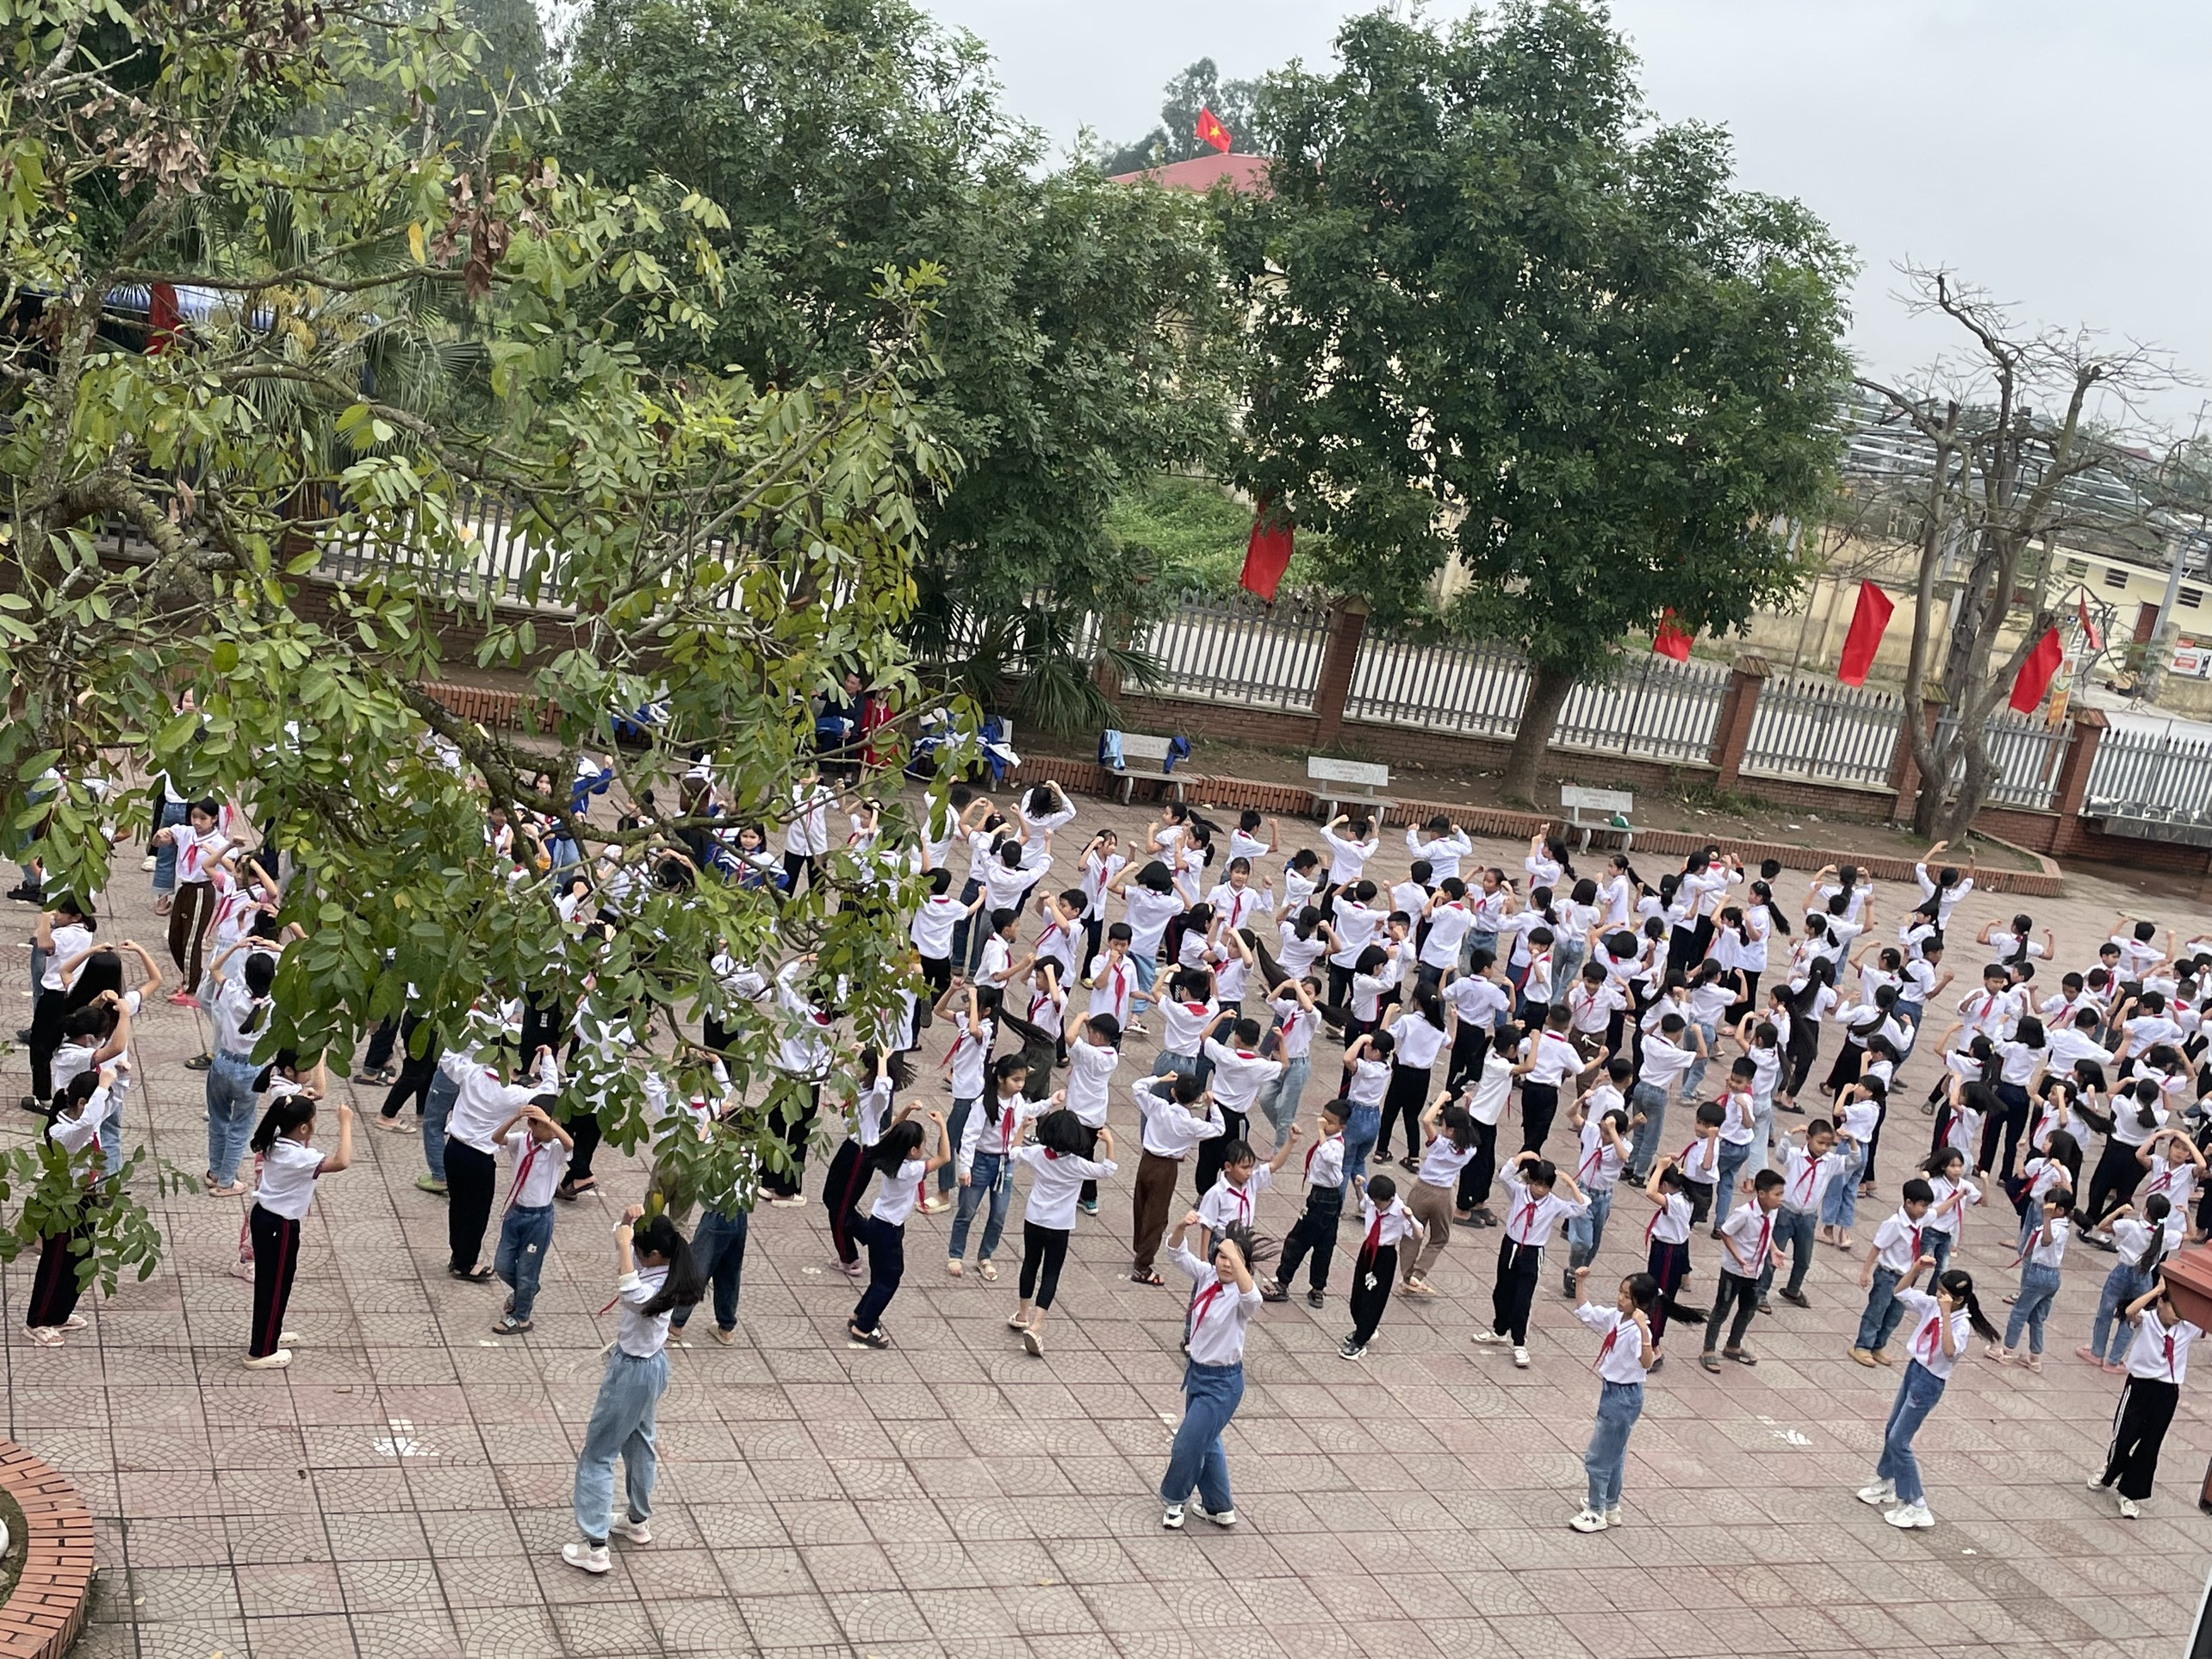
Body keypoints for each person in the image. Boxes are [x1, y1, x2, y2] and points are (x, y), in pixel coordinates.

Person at [562, 1209, 704, 1575]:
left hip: (631, 1373)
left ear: (653, 1254)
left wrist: (626, 1243)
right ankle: (637, 1521)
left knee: (598, 1455)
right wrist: (626, 1224)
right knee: (640, 1442)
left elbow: (629, 1290)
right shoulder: (668, 1269)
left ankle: (595, 1547)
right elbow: (624, 1247)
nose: (633, 1253)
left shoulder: (651, 1290)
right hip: (653, 1367)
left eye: (639, 1250)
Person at [1856, 1268, 1999, 1529]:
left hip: (1929, 1382)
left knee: (1900, 1440)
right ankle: (1887, 1481)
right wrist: (1916, 1269)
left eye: (1944, 1294)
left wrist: (1945, 1314)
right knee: (1892, 1428)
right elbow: (1901, 1293)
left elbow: (1949, 1351)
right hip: (1915, 1369)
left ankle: (1916, 1504)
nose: (1938, 1296)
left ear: (1958, 1300)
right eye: (1938, 1291)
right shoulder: (1933, 1304)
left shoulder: (1960, 1325)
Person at [1159, 1213, 1268, 1530]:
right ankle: (1219, 1506)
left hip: (1223, 1384)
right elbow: (1176, 1253)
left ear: (1245, 1266)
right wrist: (1181, 1227)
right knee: (1207, 1441)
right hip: (1197, 1374)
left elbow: (1254, 1297)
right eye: (1221, 1256)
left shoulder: (1241, 1299)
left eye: (1233, 1259)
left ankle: (1174, 1500)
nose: (1225, 1263)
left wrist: (1234, 1253)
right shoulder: (1207, 1276)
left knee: (1187, 1444)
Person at [242, 1085, 354, 1370]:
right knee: (273, 1286)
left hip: (267, 1219)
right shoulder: (300, 1158)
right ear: (304, 1128)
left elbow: (285, 1110)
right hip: (277, 1226)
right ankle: (261, 1351)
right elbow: (341, 1161)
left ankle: (271, 1333)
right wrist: (345, 1123)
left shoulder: (275, 1140)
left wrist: (300, 1098)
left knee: (279, 1281)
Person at [2088, 1277, 2202, 1518]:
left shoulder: (2187, 1327)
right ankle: (2111, 1468)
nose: (2178, 1316)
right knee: (2124, 1435)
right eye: (2174, 1308)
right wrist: (2158, 1289)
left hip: (2167, 1391)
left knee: (2151, 1444)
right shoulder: (2147, 1320)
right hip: (2139, 1386)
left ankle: (2130, 1493)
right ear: (2161, 1302)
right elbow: (2130, 1312)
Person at [1008, 1110, 1115, 1357]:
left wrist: (1022, 1128)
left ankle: (1022, 1314)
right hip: (1060, 1225)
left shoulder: (1038, 1154)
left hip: (1034, 1218)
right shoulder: (1078, 1165)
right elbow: (1107, 1170)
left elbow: (1014, 1152)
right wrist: (1109, 1142)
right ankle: (1037, 1325)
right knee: (1051, 1272)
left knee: (1030, 1264)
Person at [22, 1068, 112, 1346]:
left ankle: (59, 1314)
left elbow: (105, 1108)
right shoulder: (63, 1132)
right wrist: (103, 1086)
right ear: (83, 1103)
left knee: (81, 1257)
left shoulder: (86, 1120)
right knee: (56, 1262)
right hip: (62, 1202)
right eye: (98, 1099)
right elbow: (89, 1120)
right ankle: (37, 1321)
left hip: (85, 1198)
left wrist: (116, 1079)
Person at [1473, 1153, 1588, 1367]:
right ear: (1530, 1181)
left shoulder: (1553, 1204)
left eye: (1545, 1186)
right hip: (1511, 1246)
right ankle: (1500, 1331)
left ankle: (1519, 1343)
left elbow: (1579, 1208)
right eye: (1536, 1183)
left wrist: (1571, 1183)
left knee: (1522, 1299)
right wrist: (1523, 1156)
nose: (1539, 1190)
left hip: (1532, 1253)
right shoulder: (1518, 1192)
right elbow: (1504, 1176)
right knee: (1501, 1291)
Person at [1568, 1267, 1661, 1533]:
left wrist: (1644, 1331)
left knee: (1598, 1457)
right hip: (1612, 1391)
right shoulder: (1618, 1318)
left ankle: (1596, 1511)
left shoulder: (1638, 1331)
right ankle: (1610, 1504)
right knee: (1615, 1454)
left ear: (1641, 1303)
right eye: (1621, 1292)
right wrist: (1580, 1283)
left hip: (1623, 1397)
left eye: (1627, 1296)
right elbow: (1587, 1313)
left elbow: (1646, 1362)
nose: (1620, 1299)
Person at [847, 1111, 948, 1349]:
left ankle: (861, 1314)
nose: (924, 1148)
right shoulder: (910, 1170)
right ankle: (863, 1327)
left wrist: (906, 1111)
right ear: (912, 1150)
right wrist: (942, 1125)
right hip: (888, 1230)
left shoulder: (890, 1159)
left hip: (878, 1223)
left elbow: (892, 1131)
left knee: (880, 1277)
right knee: (889, 1280)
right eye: (922, 1144)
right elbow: (944, 1157)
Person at [490, 1101, 575, 1334]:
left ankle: (522, 1317)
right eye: (546, 1126)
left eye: (556, 1125)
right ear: (531, 1124)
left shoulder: (555, 1149)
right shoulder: (521, 1141)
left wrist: (548, 1122)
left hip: (540, 1218)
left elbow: (569, 1144)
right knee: (502, 1265)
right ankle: (526, 1291)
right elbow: (497, 1138)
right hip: (516, 1212)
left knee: (527, 1270)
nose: (553, 1130)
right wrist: (515, 1117)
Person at [1267, 1100, 1347, 1307]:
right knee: (1324, 1242)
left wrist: (1321, 1133)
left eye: (1330, 1122)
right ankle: (1317, 1288)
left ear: (1341, 1127)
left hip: (1324, 1197)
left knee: (1299, 1239)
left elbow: (1328, 1156)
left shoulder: (1335, 1145)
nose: (1323, 1124)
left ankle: (1283, 1282)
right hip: (1324, 1195)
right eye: (1323, 1118)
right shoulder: (1330, 1140)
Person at [1701, 1171, 1784, 1371]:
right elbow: (1725, 1232)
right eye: (1777, 1194)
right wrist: (1738, 1257)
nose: (1781, 1199)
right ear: (1762, 1194)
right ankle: (1708, 1350)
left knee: (1747, 1310)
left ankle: (1733, 1345)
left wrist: (1774, 1250)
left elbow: (1767, 1233)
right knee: (1722, 1309)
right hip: (1734, 1271)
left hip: (1755, 1271)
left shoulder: (1772, 1212)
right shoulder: (1745, 1213)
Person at [2080, 1196, 2173, 1374]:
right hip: (2144, 1277)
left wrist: (2119, 1210)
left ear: (2146, 1211)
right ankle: (2114, 1361)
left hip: (2122, 1272)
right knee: (2130, 1318)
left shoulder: (2132, 1226)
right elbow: (2190, 1235)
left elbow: (2102, 1226)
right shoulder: (2166, 1236)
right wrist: (2186, 1215)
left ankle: (2097, 1352)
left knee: (2106, 1312)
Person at [1850, 1177, 1936, 1367]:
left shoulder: (1918, 1220)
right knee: (1877, 1311)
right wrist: (1865, 1272)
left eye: (1927, 1206)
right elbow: (1877, 1247)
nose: (1925, 1210)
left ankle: (1878, 1345)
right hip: (1888, 1275)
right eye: (1922, 1206)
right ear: (1908, 1202)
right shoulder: (1895, 1223)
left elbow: (1938, 1213)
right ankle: (1862, 1346)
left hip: (1906, 1278)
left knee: (1895, 1315)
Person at [1399, 1095, 1478, 1296]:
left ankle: (1407, 1277)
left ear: (1451, 1130)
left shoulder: (1440, 1144)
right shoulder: (1471, 1150)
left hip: (1421, 1190)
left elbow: (1426, 1120)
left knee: (1412, 1233)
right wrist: (1467, 1110)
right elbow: (1466, 1128)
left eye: (1443, 1125)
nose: (1441, 1128)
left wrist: (1441, 1099)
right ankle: (1419, 1273)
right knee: (1440, 1237)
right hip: (1443, 1195)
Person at [1340, 1172, 1420, 1360]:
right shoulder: (1372, 1200)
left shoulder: (1400, 1211)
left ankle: (1360, 1341)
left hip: (1384, 1255)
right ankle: (1363, 1328)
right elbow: (1363, 1203)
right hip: (1368, 1249)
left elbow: (1419, 1235)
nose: (1376, 1206)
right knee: (1358, 1294)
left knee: (1374, 1298)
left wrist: (1410, 1218)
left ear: (1389, 1199)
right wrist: (1359, 1188)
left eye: (1379, 1204)